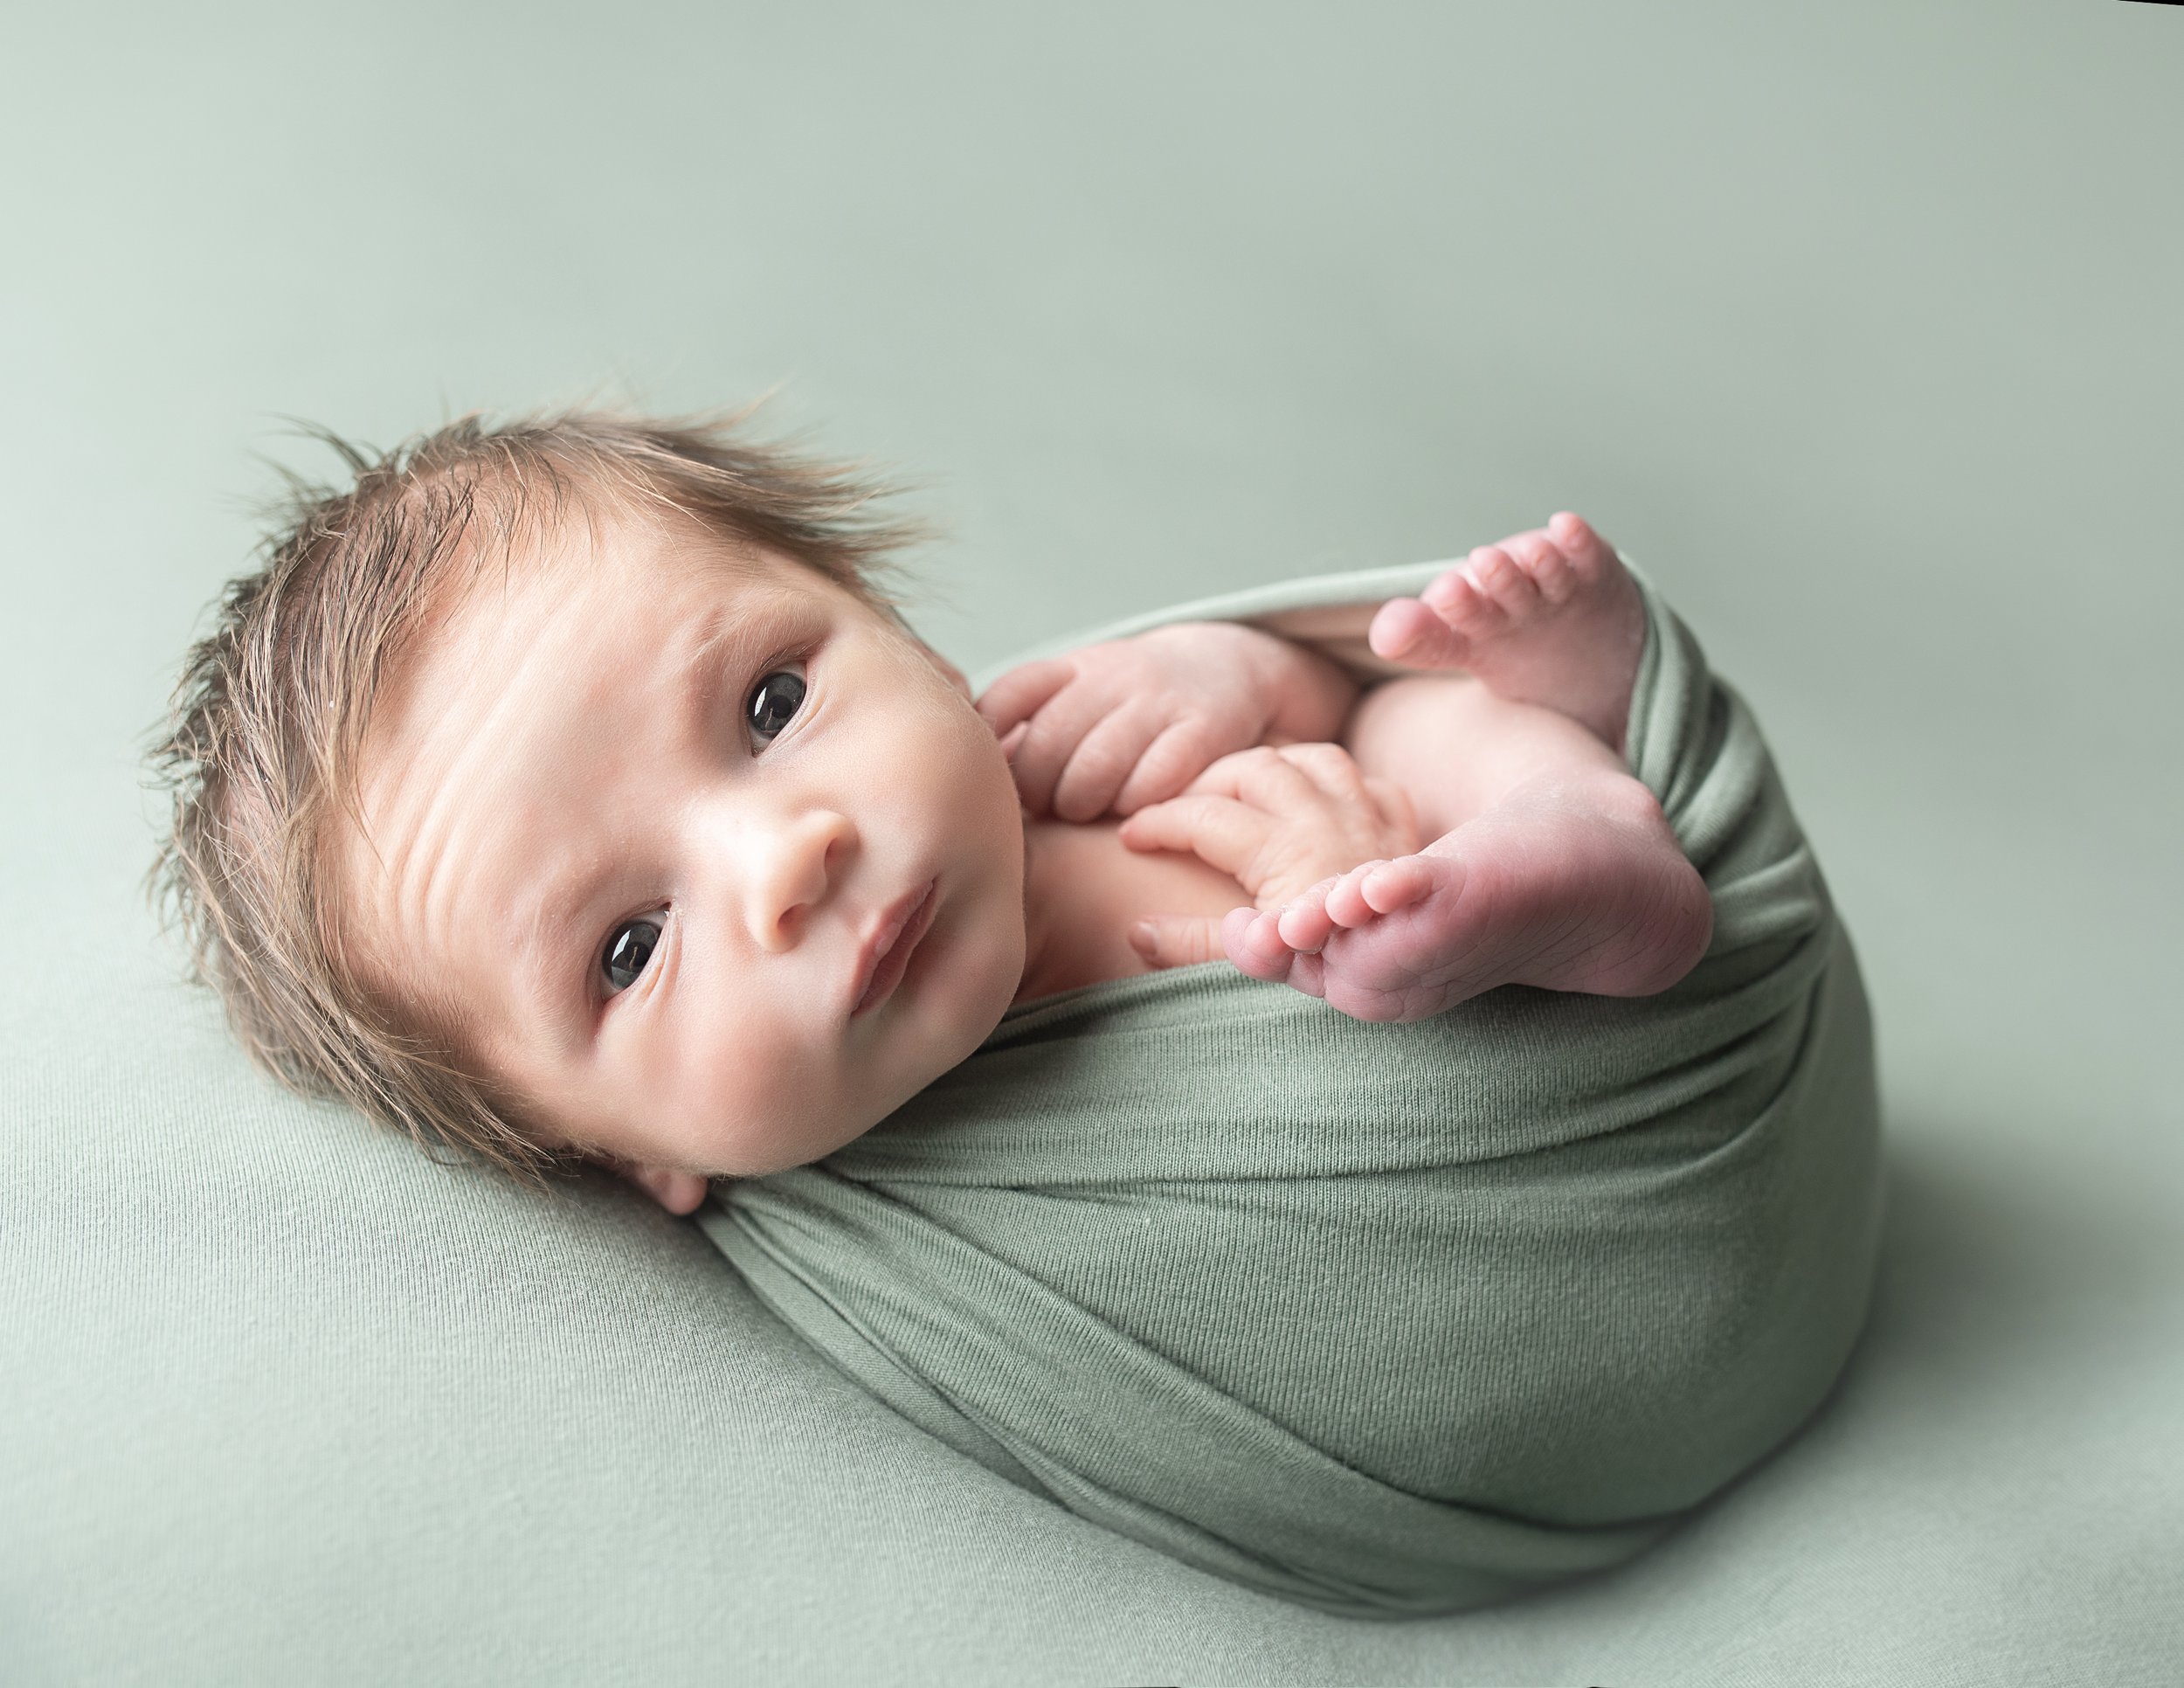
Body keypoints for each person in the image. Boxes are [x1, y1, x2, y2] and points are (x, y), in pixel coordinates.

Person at [152, 411, 1711, 1213]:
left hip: (1446, 847)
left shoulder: (1041, 770)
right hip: (1472, 1114)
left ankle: (1576, 821)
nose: (787, 859)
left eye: (772, 708)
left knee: (1427, 707)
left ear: (899, 632)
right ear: (631, 1167)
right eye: (629, 949)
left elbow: (1326, 713)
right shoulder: (924, 1244)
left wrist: (1219, 679)